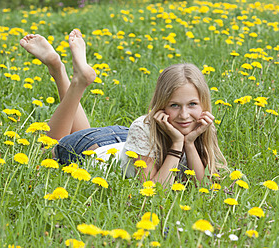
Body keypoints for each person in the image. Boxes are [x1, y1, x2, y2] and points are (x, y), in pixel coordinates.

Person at [20, 29, 227, 186]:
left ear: (203, 104)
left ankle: (59, 70)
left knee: (83, 132)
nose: (184, 115)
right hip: (96, 149)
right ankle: (73, 79)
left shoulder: (201, 126)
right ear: (161, 105)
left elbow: (204, 186)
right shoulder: (146, 127)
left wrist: (189, 143)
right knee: (46, 152)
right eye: (174, 105)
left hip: (120, 141)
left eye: (192, 104)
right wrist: (176, 145)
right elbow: (154, 191)